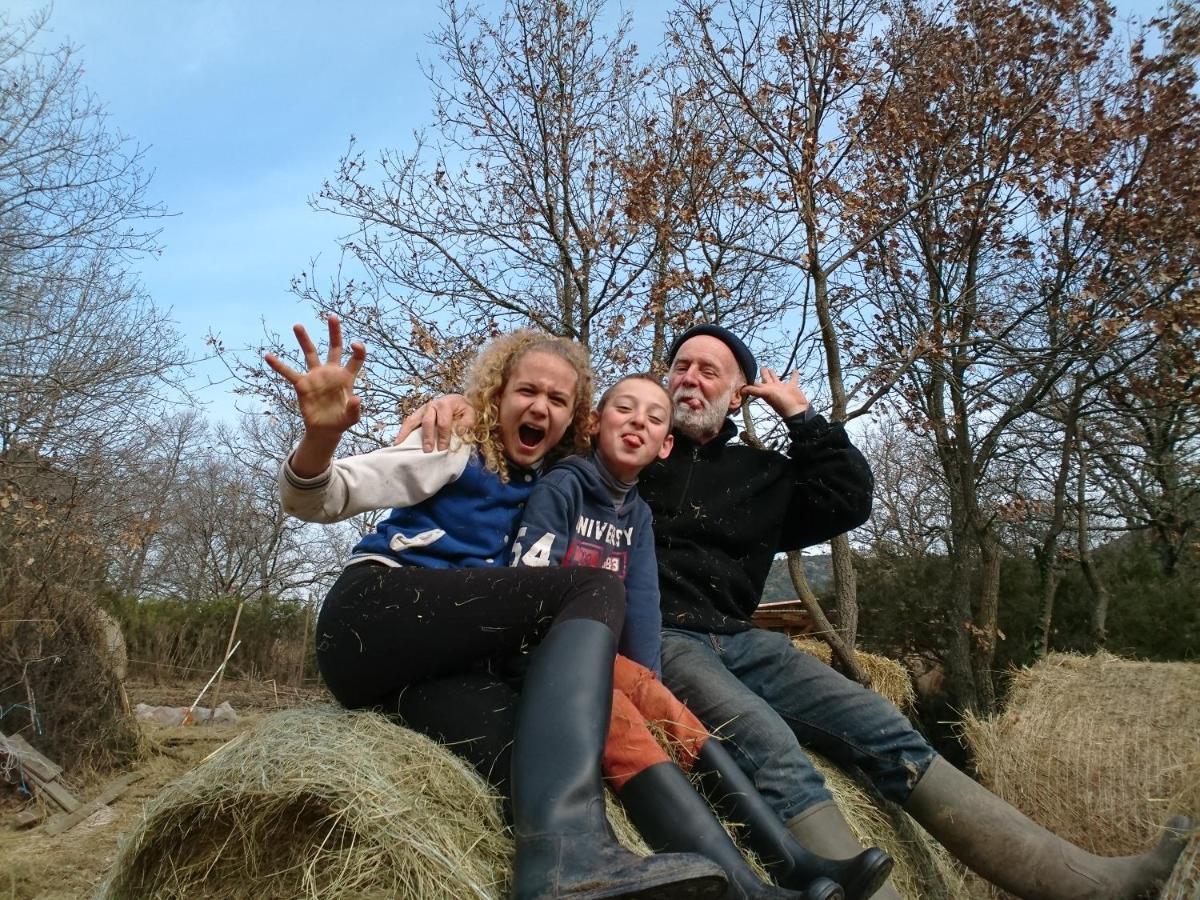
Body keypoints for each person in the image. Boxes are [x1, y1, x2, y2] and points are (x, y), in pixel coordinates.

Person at [402, 323, 1193, 900]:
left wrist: (802, 417)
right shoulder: (625, 458)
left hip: (745, 638)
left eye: (710, 370)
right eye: (679, 364)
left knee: (884, 729)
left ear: (737, 389)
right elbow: (525, 417)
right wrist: (450, 403)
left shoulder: (764, 476)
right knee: (771, 747)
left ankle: (1081, 882)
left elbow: (850, 496)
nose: (688, 379)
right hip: (668, 642)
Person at [268, 318, 728, 900]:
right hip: (375, 613)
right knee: (593, 587)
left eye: (557, 399)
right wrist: (321, 439)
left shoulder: (557, 486)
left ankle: (567, 866)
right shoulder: (456, 446)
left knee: (532, 757)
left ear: (575, 420)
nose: (539, 406)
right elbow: (320, 496)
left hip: (422, 675)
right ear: (498, 396)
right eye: (526, 391)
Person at [510, 373, 890, 900]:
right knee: (625, 728)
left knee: (676, 718)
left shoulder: (637, 513)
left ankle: (794, 860)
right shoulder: (565, 485)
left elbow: (643, 607)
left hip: (601, 657)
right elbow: (528, 582)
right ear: (595, 424)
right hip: (547, 655)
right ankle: (744, 887)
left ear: (666, 444)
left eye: (653, 417)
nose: (637, 422)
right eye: (624, 410)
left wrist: (651, 685)